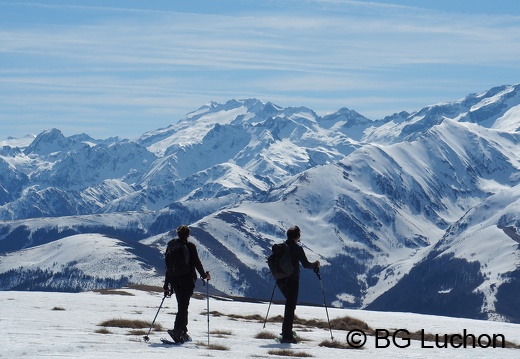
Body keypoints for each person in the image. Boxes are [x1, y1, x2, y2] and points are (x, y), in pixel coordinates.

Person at [163, 225, 211, 343]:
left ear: (178, 234)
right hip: (187, 280)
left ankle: (182, 331)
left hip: (174, 280)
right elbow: (196, 263)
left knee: (182, 305)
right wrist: (205, 276)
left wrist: (166, 285)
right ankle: (178, 330)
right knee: (183, 306)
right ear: (188, 235)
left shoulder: (171, 246)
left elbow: (168, 267)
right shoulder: (190, 246)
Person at [276, 225, 320, 343]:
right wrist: (315, 264)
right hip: (292, 281)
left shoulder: (281, 247)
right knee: (291, 307)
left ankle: (286, 332)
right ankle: (287, 336)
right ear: (297, 236)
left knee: (289, 305)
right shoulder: (297, 248)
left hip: (280, 280)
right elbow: (306, 264)